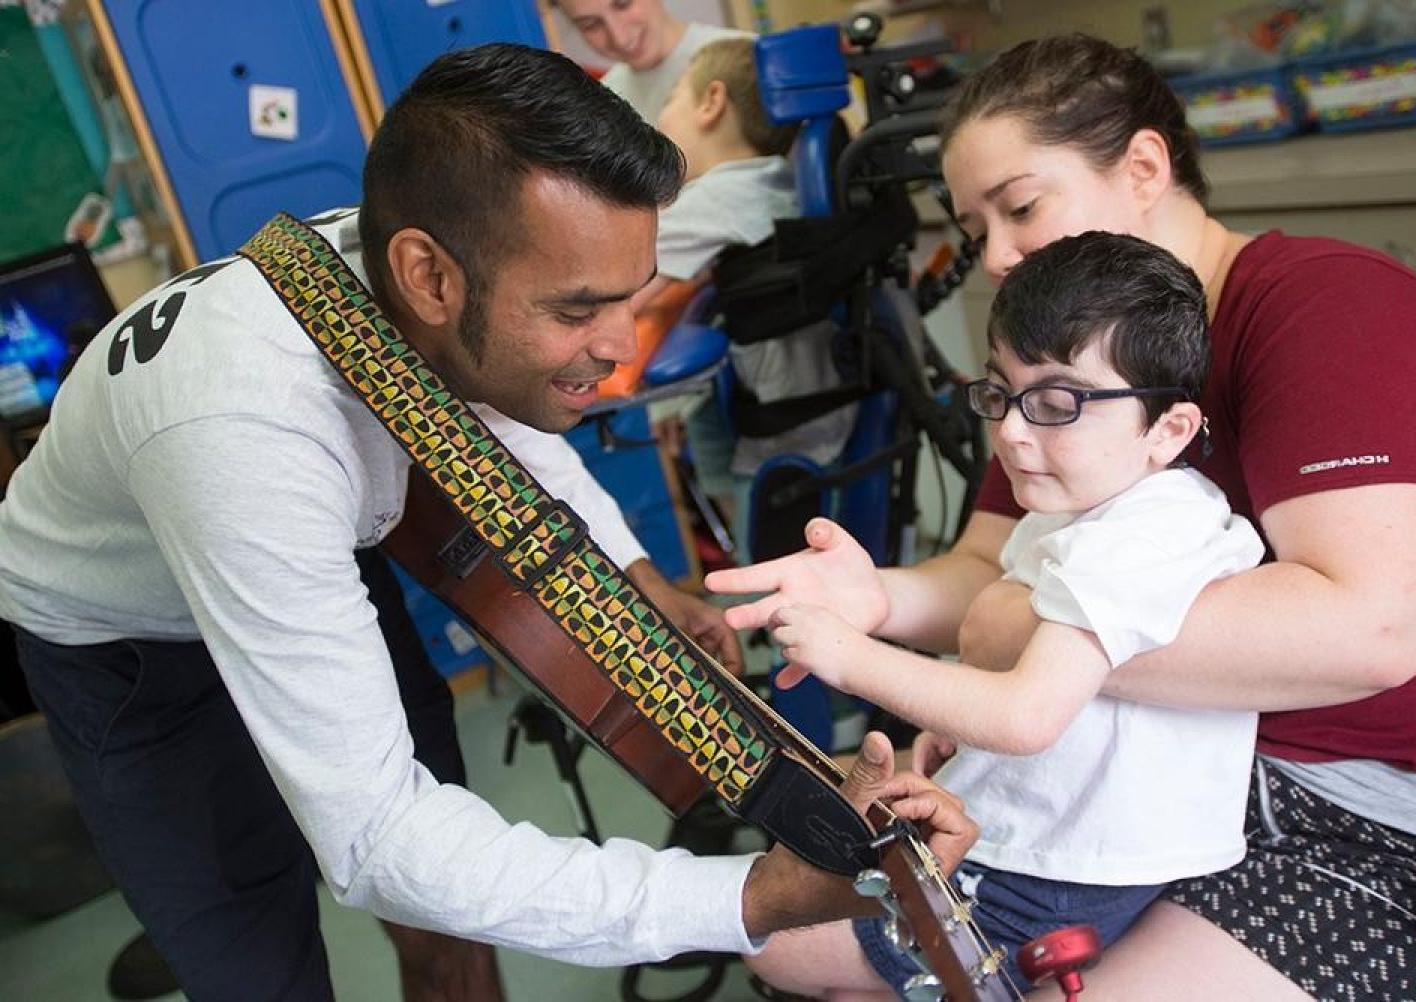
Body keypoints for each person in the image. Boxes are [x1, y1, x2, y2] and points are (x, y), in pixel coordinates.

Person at [0, 43, 976, 1001]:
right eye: (579, 310)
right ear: (427, 279)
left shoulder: (396, 272)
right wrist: (749, 897)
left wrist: (638, 580)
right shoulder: (244, 433)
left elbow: (505, 411)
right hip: (126, 643)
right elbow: (379, 841)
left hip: (299, 543)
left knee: (444, 912)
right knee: (255, 952)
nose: (618, 347)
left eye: (628, 300)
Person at [708, 32, 1416, 1002]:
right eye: (973, 224)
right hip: (1173, 763)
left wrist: (1018, 629)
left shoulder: (1329, 310)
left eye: (1022, 207)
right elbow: (987, 572)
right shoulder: (1070, 363)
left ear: (1143, 168)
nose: (995, 255)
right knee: (812, 944)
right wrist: (875, 597)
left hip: (1378, 805)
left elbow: (1369, 630)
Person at [743, 230, 1266, 997]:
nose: (1013, 432)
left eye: (1057, 403)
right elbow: (1010, 671)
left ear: (1170, 430)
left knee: (773, 941)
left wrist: (852, 657)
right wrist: (948, 729)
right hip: (1050, 832)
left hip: (1073, 867)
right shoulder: (1081, 498)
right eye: (1001, 395)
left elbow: (1025, 714)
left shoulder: (1148, 532)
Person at [642, 37, 857, 532]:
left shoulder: (721, 197)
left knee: (761, 571)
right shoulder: (779, 179)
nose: (661, 116)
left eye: (672, 96)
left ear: (711, 102)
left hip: (784, 431)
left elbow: (620, 287)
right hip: (811, 404)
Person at [553, 0, 748, 122]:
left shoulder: (744, 57)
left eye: (623, 4)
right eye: (591, 25)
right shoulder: (603, 101)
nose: (620, 38)